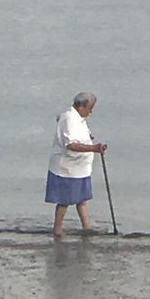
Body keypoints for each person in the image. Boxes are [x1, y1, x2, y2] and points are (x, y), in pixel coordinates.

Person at [45, 91, 107, 238]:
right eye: (90, 108)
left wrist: (89, 140)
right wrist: (94, 148)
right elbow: (71, 145)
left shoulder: (77, 118)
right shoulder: (70, 118)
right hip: (67, 168)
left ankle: (87, 228)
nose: (91, 111)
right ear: (81, 106)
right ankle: (57, 230)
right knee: (64, 201)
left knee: (82, 199)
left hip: (81, 168)